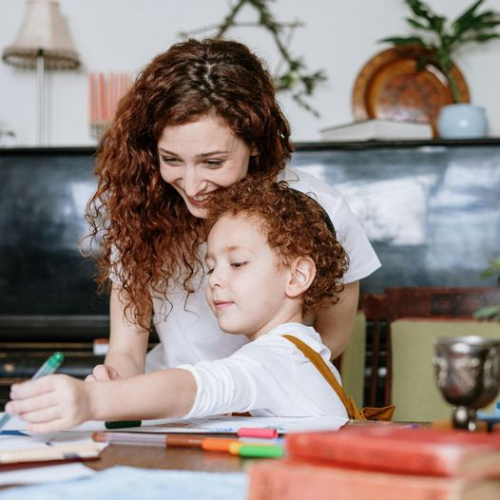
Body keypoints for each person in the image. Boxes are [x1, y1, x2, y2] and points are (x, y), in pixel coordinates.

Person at [85, 37, 380, 384]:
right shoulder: (140, 212)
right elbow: (127, 351)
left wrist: (254, 390)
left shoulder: (321, 209)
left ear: (254, 142)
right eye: (172, 160)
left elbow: (330, 341)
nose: (192, 186)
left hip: (273, 399)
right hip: (173, 403)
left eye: (213, 162)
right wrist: (112, 381)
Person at [6, 179, 350, 433]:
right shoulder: (295, 350)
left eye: (238, 263)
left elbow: (193, 387)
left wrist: (94, 401)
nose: (213, 280)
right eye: (211, 267)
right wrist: (122, 392)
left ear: (297, 275)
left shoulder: (280, 358)